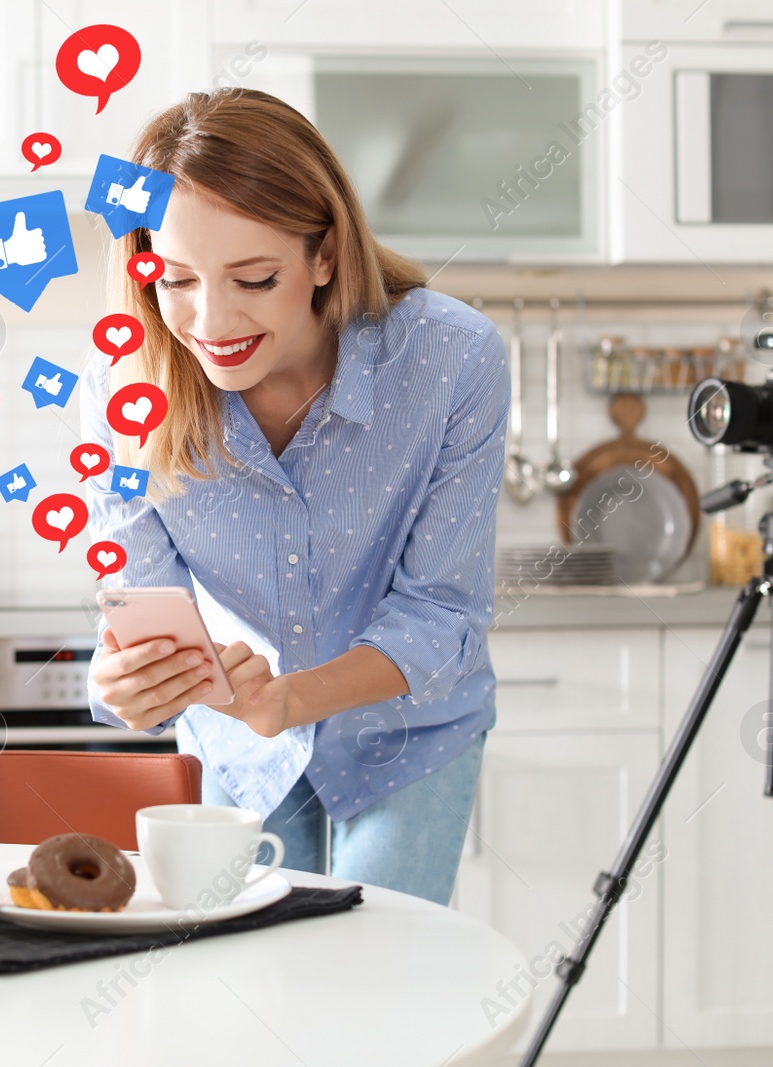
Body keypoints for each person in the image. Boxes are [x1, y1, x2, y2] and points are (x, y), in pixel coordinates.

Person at [82, 88, 507, 906]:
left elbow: (442, 615)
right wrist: (120, 676)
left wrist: (292, 696)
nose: (211, 319)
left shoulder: (453, 361)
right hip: (235, 742)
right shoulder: (121, 390)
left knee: (376, 981)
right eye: (175, 280)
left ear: (323, 255)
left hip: (406, 737)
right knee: (248, 988)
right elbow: (140, 601)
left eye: (252, 277)